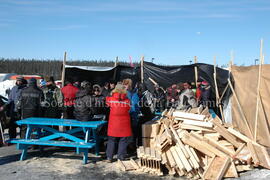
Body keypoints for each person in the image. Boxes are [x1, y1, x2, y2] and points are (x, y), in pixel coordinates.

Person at [106, 83, 131, 162]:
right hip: (124, 122)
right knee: (123, 139)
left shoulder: (110, 99)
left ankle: (109, 157)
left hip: (113, 122)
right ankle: (121, 157)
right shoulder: (127, 101)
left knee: (111, 139)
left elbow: (107, 105)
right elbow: (129, 109)